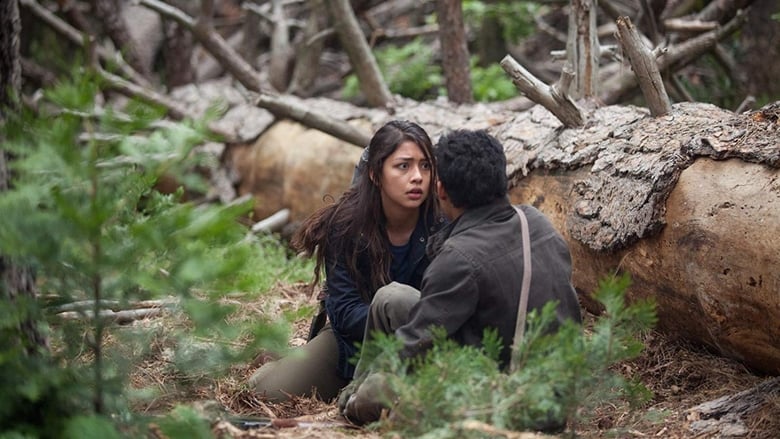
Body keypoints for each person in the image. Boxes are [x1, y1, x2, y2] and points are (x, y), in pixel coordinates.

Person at [340, 129, 583, 424]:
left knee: (382, 400)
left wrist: (366, 395)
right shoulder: (536, 221)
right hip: (560, 395)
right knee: (393, 297)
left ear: (440, 189)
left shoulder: (458, 258)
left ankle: (353, 404)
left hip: (504, 404)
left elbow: (414, 342)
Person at [247, 120, 443, 402]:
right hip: (353, 342)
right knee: (268, 393)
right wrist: (386, 316)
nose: (417, 177)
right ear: (375, 173)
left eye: (425, 166)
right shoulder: (346, 225)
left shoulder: (441, 222)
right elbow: (344, 311)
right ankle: (282, 359)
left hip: (422, 342)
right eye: (403, 166)